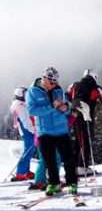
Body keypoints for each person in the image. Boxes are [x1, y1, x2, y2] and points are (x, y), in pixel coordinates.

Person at [26, 67, 78, 195]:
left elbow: (65, 107)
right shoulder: (33, 92)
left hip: (61, 129)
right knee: (50, 161)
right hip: (44, 131)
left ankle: (72, 183)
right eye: (52, 82)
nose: (54, 85)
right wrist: (51, 106)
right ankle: (54, 184)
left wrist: (65, 108)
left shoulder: (58, 89)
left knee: (68, 159)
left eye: (55, 82)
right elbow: (32, 111)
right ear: (44, 79)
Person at [68, 69, 102, 173]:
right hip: (87, 117)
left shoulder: (74, 85)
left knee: (78, 141)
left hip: (74, 117)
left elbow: (67, 96)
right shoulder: (95, 87)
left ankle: (74, 167)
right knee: (86, 141)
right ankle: (82, 167)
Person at [9, 87, 36, 181]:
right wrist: (33, 129)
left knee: (30, 150)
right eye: (24, 94)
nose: (26, 96)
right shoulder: (19, 105)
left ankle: (26, 171)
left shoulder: (22, 104)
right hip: (27, 130)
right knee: (28, 150)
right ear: (20, 94)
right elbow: (25, 120)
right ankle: (20, 172)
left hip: (28, 129)